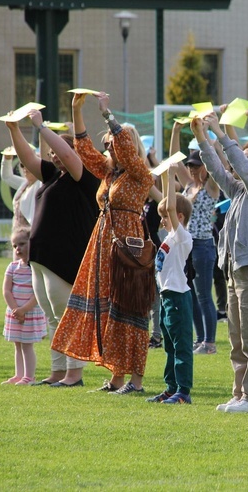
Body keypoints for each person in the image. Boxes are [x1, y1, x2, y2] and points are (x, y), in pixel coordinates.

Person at [50, 92, 154, 394]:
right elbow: (83, 149)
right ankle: (115, 378)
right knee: (109, 313)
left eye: (112, 142)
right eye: (107, 143)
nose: (108, 147)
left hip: (128, 247)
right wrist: (76, 110)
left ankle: (136, 381)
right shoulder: (110, 173)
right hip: (104, 245)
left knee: (130, 313)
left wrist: (108, 115)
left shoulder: (140, 173)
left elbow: (126, 149)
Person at [192, 113, 248, 414]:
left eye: (242, 162)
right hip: (234, 272)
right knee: (237, 341)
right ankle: (241, 394)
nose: (234, 166)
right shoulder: (241, 192)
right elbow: (217, 170)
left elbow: (237, 164)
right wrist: (202, 138)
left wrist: (218, 129)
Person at [6, 111, 98, 388]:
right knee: (52, 319)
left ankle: (74, 374)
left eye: (60, 151)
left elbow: (70, 157)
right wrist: (14, 129)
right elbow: (28, 158)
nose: (55, 157)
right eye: (54, 153)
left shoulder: (84, 175)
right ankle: (58, 372)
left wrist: (40, 126)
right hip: (42, 259)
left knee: (67, 317)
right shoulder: (52, 176)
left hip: (65, 258)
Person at [170, 122, 220, 356]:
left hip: (203, 246)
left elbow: (217, 159)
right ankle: (200, 339)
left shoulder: (211, 186)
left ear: (204, 167)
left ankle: (209, 342)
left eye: (195, 166)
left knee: (203, 294)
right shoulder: (189, 185)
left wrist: (213, 133)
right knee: (191, 293)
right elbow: (173, 160)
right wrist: (176, 131)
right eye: (190, 165)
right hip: (187, 246)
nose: (190, 169)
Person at [147, 166, 195, 404]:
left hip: (178, 298)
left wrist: (170, 174)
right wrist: (166, 177)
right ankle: (171, 387)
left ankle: (183, 392)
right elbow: (168, 205)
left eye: (166, 217)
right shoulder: (168, 237)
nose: (163, 219)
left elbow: (171, 207)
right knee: (169, 347)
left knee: (181, 347)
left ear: (179, 218)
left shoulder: (182, 236)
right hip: (167, 297)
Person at [1, 227, 47, 385]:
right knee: (17, 345)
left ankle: (29, 377)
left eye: (21, 244)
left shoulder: (36, 267)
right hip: (15, 313)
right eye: (14, 245)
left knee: (27, 345)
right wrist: (15, 309)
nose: (17, 248)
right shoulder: (12, 267)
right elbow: (6, 290)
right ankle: (18, 374)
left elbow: (38, 293)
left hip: (30, 313)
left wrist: (24, 310)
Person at [0, 148, 42, 230]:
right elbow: (7, 177)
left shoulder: (41, 183)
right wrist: (7, 159)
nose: (25, 168)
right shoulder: (24, 184)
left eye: (29, 164)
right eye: (22, 165)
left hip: (32, 231)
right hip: (18, 231)